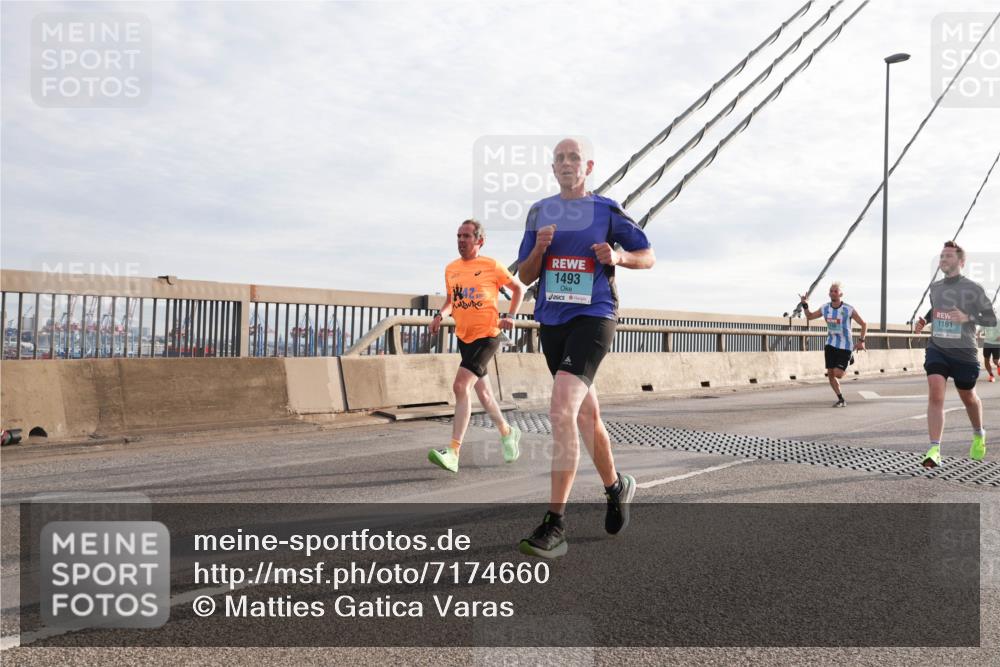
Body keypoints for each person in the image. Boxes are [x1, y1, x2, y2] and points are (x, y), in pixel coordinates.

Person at [515, 138, 655, 559]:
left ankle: (555, 524)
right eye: (559, 158)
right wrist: (539, 248)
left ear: (588, 165)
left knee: (560, 410)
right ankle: (615, 487)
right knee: (587, 415)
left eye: (573, 157)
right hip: (552, 320)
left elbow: (647, 256)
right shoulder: (539, 212)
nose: (566, 163)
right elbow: (524, 275)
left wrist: (618, 257)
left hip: (595, 316)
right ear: (552, 168)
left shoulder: (606, 210)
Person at [427, 219, 525, 473]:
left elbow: (518, 289)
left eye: (466, 236)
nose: (461, 240)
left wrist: (511, 316)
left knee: (460, 386)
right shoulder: (451, 269)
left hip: (488, 335)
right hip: (464, 336)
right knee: (484, 395)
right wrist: (440, 315)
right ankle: (507, 432)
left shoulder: (491, 266)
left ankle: (454, 452)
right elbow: (452, 300)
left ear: (479, 240)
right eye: (458, 236)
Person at [914, 241, 997, 467]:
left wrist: (968, 318)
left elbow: (991, 319)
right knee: (936, 393)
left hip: (964, 353)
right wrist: (925, 319)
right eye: (941, 256)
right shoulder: (936, 288)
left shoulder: (974, 289)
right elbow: (937, 309)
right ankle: (934, 449)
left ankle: (979, 433)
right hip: (937, 349)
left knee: (968, 398)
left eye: (948, 256)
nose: (943, 259)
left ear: (961, 262)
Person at [799, 282, 868, 407]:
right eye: (831, 291)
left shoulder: (848, 309)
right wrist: (805, 304)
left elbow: (864, 324)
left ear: (840, 294)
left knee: (838, 374)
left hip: (845, 346)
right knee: (830, 374)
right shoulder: (825, 308)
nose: (833, 293)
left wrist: (861, 341)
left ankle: (849, 359)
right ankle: (841, 399)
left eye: (835, 291)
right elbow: (809, 316)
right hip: (830, 344)